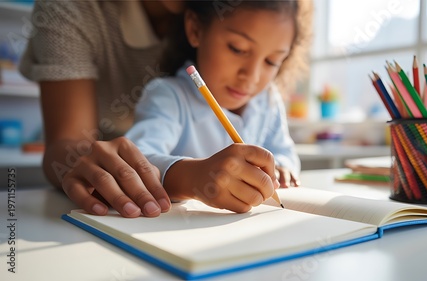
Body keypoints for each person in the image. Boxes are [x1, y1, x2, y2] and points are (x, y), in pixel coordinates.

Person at [125, 0, 312, 213]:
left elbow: (283, 151)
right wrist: (192, 177)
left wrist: (281, 167)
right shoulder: (168, 96)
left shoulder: (268, 100)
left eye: (271, 61)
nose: (251, 76)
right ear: (195, 29)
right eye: (238, 49)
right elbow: (135, 161)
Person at [19, 0, 186, 218]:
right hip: (111, 200)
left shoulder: (229, 9)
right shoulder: (71, 7)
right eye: (236, 48)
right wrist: (87, 165)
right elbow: (66, 141)